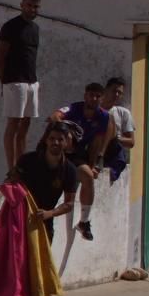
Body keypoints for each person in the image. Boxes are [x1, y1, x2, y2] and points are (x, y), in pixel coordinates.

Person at [0, 121, 78, 296]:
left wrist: (49, 213)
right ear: (45, 140)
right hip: (21, 224)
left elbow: (69, 204)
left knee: (37, 270)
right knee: (17, 269)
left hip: (43, 225)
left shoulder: (69, 170)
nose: (56, 143)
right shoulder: (29, 161)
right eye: (52, 139)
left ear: (67, 143)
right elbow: (11, 180)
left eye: (60, 139)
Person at [50, 81, 115, 240]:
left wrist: (93, 165)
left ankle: (84, 222)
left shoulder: (103, 117)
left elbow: (96, 143)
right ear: (85, 96)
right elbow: (55, 115)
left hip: (77, 155)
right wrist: (63, 128)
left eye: (97, 96)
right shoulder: (74, 108)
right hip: (58, 151)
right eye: (91, 95)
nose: (93, 99)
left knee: (88, 176)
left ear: (101, 99)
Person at [0, 0, 42, 171]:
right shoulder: (10, 27)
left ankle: (21, 165)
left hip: (32, 82)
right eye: (29, 6)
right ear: (22, 5)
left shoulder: (36, 29)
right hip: (15, 82)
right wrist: (4, 83)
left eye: (35, 7)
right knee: (13, 124)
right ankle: (11, 168)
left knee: (26, 124)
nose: (32, 10)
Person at [101, 76, 135, 188]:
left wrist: (115, 137)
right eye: (114, 90)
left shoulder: (123, 113)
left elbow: (131, 142)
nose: (116, 95)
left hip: (113, 150)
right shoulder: (95, 110)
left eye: (119, 93)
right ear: (106, 90)